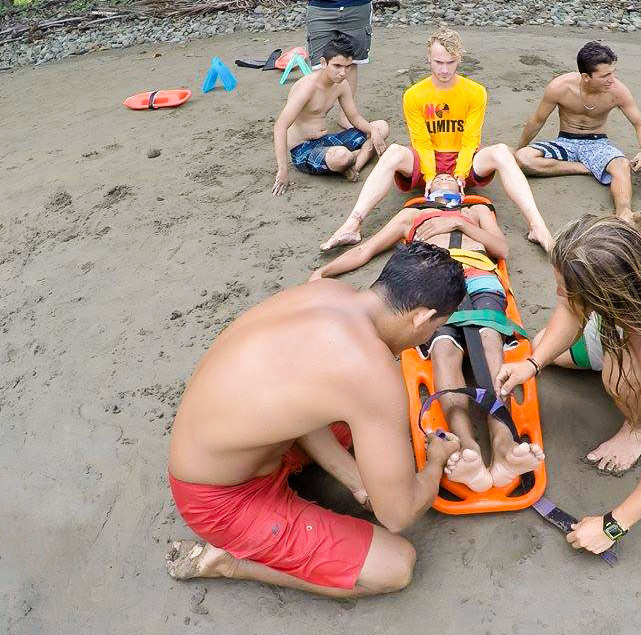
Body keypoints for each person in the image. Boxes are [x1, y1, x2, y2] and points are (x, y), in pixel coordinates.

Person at [165, 243, 466, 598]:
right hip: (219, 499)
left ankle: (356, 484)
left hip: (221, 451)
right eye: (435, 327)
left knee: (357, 423)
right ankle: (230, 563)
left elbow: (301, 400)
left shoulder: (329, 291)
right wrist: (436, 461)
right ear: (420, 317)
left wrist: (358, 482)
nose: (427, 338)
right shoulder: (370, 372)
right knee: (395, 566)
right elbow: (398, 515)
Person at [496, 215, 641, 556]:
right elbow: (571, 305)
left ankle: (639, 424)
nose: (558, 290)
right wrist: (533, 363)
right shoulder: (614, 254)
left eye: (564, 286)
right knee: (545, 344)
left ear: (602, 296)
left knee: (620, 374)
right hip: (625, 323)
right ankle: (615, 362)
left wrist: (612, 524)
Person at [313, 175, 545, 493]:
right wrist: (324, 271)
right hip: (433, 287)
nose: (446, 177)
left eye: (452, 178)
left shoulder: (476, 211)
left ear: (462, 191)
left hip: (479, 276)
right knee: (444, 350)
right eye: (439, 178)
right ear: (427, 190)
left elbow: (501, 248)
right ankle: (467, 448)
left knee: (490, 344)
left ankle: (504, 444)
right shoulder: (411, 216)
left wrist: (461, 224)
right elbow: (366, 250)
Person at [319, 27, 554, 253]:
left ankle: (537, 226)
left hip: (463, 157)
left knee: (502, 151)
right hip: (427, 159)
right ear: (428, 58)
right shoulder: (414, 95)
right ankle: (353, 223)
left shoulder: (475, 92)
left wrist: (461, 174)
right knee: (393, 152)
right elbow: (421, 142)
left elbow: (470, 140)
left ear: (459, 59)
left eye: (450, 62)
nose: (444, 70)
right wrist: (430, 177)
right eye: (438, 62)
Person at [515, 41, 641, 227]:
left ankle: (625, 214)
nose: (612, 79)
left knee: (621, 164)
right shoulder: (560, 87)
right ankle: (588, 168)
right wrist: (518, 149)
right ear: (586, 77)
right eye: (605, 75)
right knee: (524, 158)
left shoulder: (617, 91)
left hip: (597, 144)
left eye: (612, 72)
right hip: (565, 141)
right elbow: (537, 121)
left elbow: (640, 124)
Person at [278, 0, 399, 128]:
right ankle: (315, 118)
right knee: (320, 66)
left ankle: (346, 116)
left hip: (356, 6)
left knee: (350, 63)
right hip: (320, 8)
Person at [271, 34, 389, 195]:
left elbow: (354, 118)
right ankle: (350, 159)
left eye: (347, 67)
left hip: (327, 141)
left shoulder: (341, 85)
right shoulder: (307, 88)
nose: (343, 72)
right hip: (303, 149)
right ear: (323, 63)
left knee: (381, 127)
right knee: (342, 156)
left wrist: (373, 131)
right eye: (337, 66)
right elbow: (280, 126)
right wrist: (283, 170)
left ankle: (354, 166)